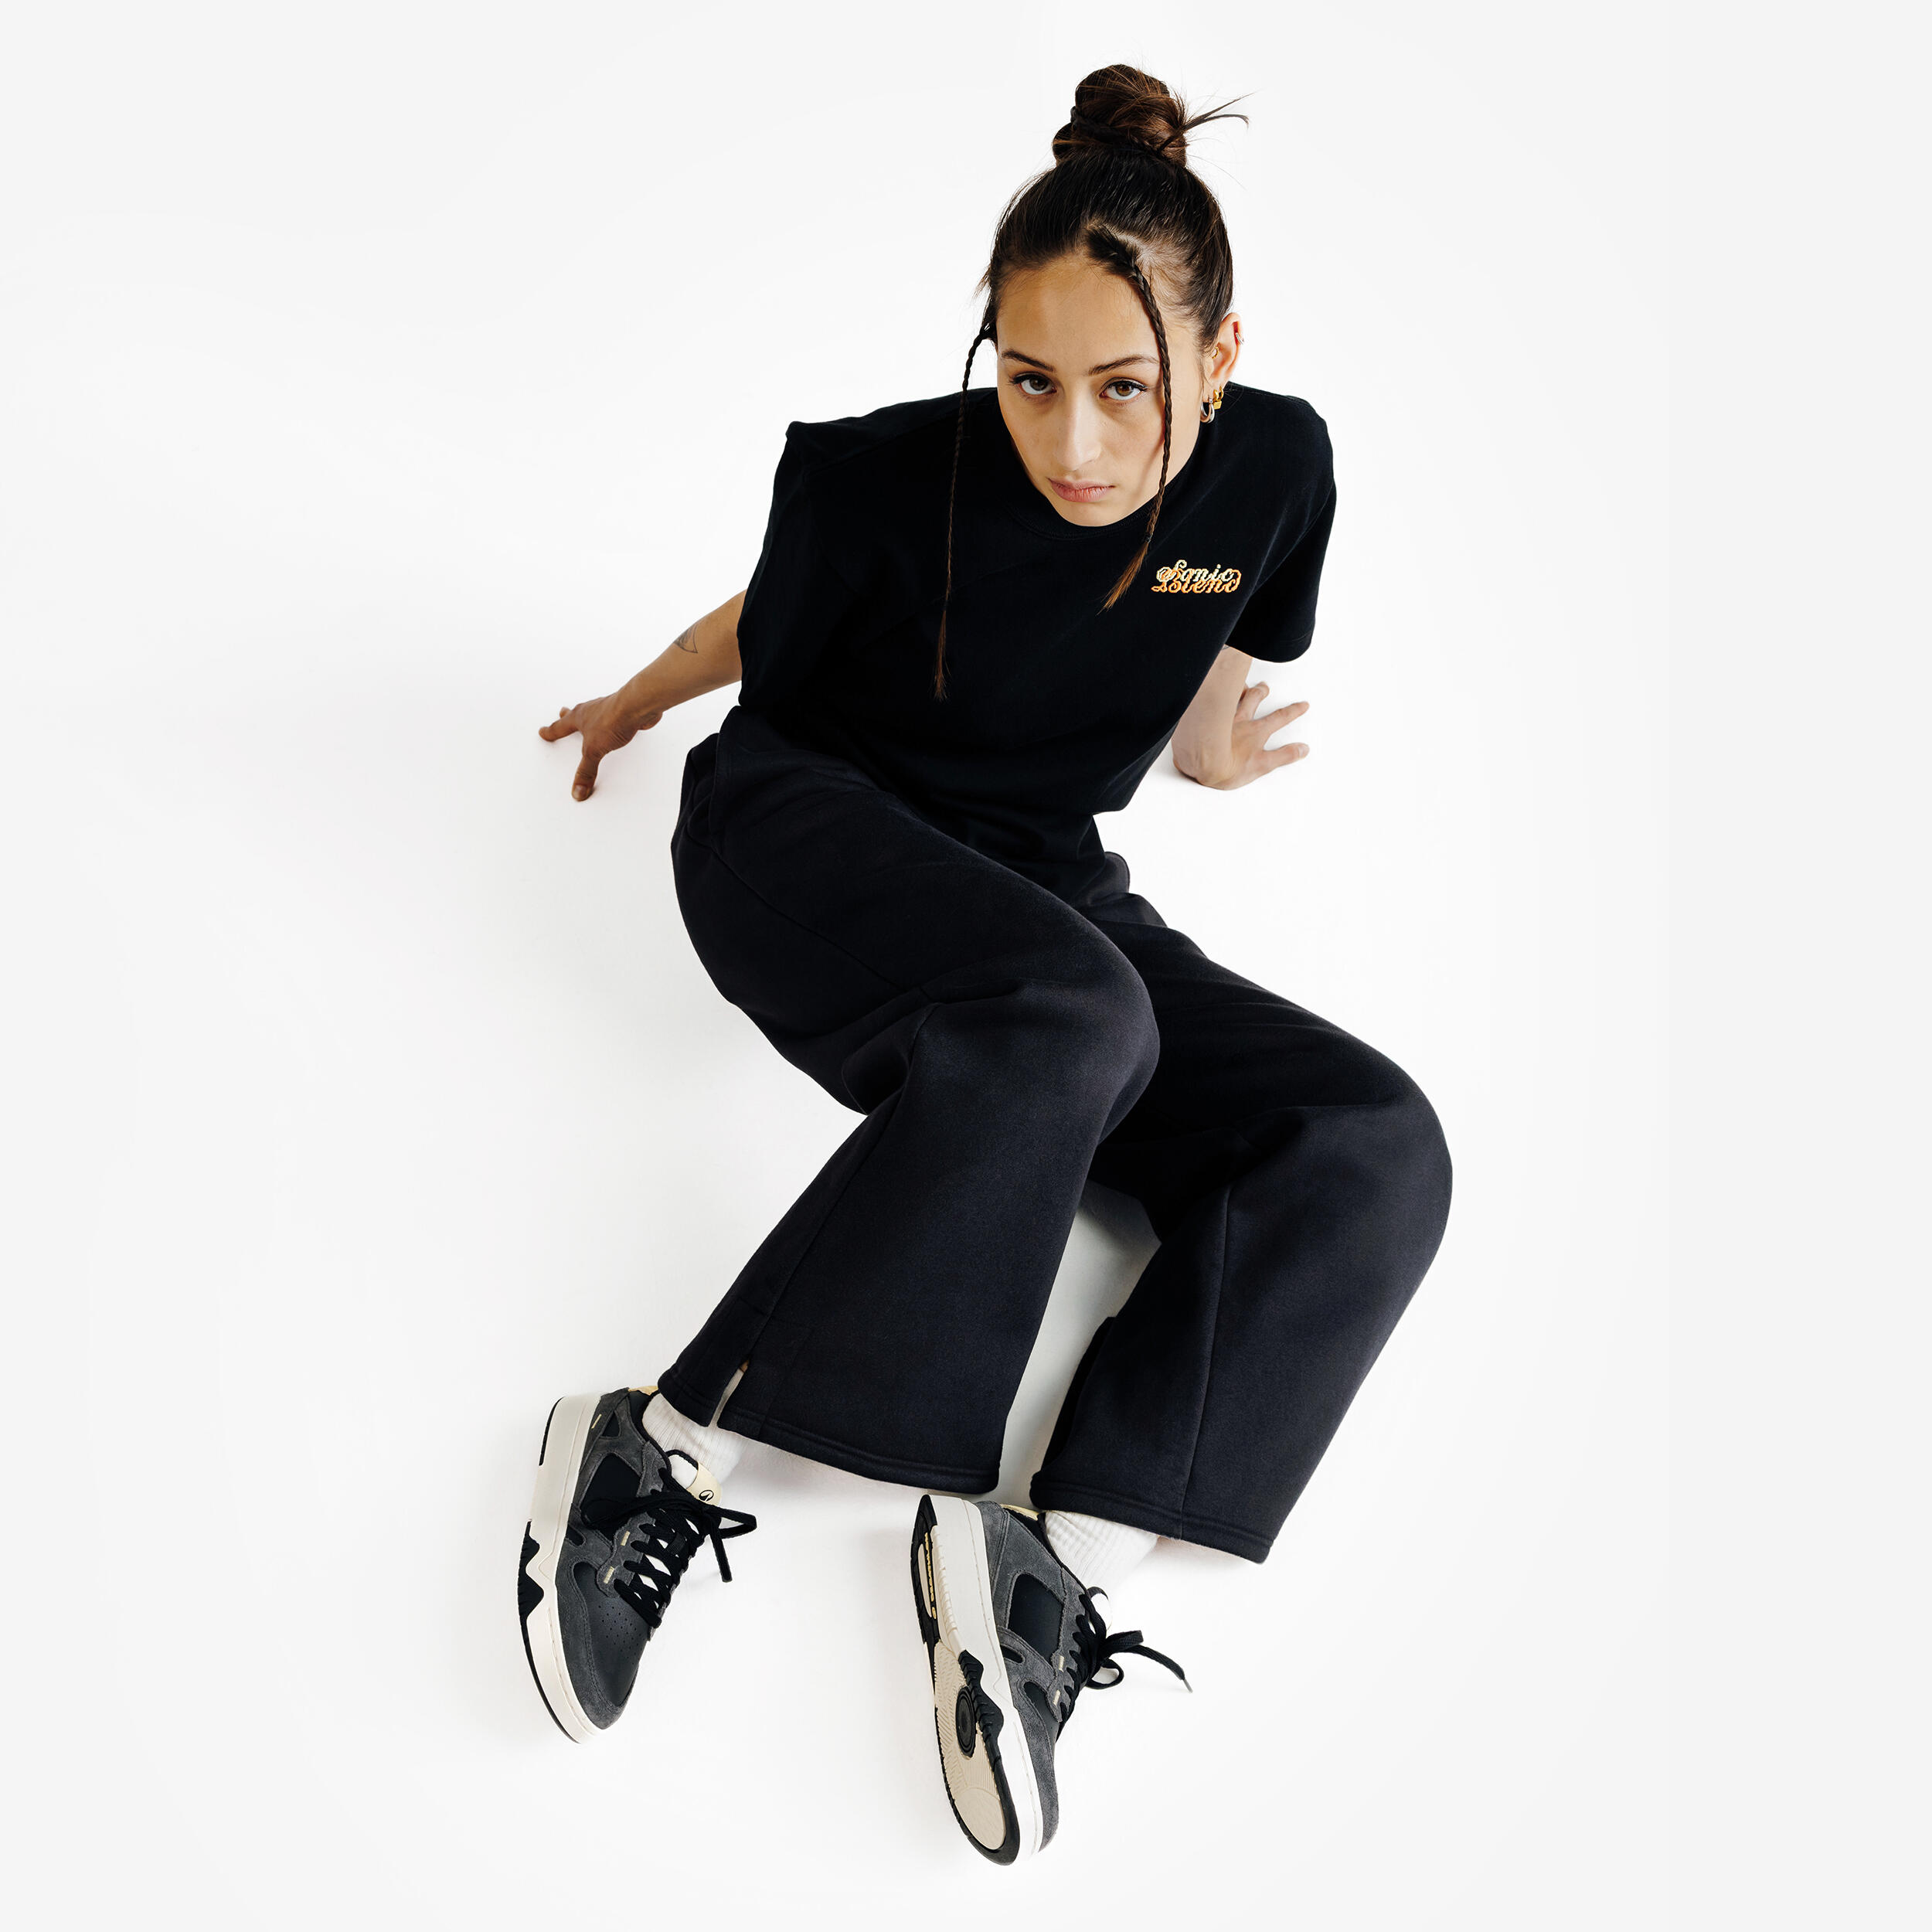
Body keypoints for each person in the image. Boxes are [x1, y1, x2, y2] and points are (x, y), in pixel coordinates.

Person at [516, 65, 1451, 1864]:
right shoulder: (884, 479)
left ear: (1218, 356)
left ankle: (1048, 1556)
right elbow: (761, 625)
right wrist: (636, 697)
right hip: (803, 823)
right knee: (1070, 1017)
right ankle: (662, 1440)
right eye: (1028, 380)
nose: (1071, 441)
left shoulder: (1278, 466)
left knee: (1368, 1139)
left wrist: (1210, 749)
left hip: (1036, 876)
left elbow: (1208, 633)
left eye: (1123, 386)